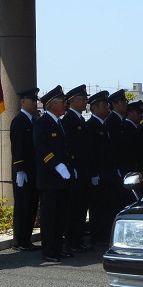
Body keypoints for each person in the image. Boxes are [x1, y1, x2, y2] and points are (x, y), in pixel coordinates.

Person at [33, 85, 75, 262]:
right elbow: (42, 148)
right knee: (49, 217)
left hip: (62, 178)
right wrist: (57, 165)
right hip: (50, 178)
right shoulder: (42, 123)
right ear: (52, 104)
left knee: (61, 215)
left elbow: (65, 148)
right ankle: (49, 251)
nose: (65, 105)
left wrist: (69, 166)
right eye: (62, 102)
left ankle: (58, 247)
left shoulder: (59, 123)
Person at [9, 87, 40, 251]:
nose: (34, 103)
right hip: (23, 171)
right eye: (31, 100)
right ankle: (19, 240)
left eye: (35, 100)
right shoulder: (19, 120)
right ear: (22, 101)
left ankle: (26, 239)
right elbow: (17, 147)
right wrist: (19, 169)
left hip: (33, 171)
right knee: (22, 206)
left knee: (32, 205)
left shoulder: (33, 121)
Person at [61, 84, 91, 253]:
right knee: (74, 208)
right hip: (75, 171)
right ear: (73, 101)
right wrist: (72, 166)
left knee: (81, 207)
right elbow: (69, 147)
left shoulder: (80, 119)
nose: (85, 102)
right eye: (83, 99)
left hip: (84, 170)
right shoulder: (68, 121)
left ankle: (78, 240)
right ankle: (72, 241)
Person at [85, 90, 117, 245]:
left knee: (108, 205)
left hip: (108, 173)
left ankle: (105, 234)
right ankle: (97, 236)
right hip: (98, 174)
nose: (107, 107)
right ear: (95, 108)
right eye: (104, 105)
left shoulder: (104, 125)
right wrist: (93, 173)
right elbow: (89, 152)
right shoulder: (90, 126)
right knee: (98, 207)